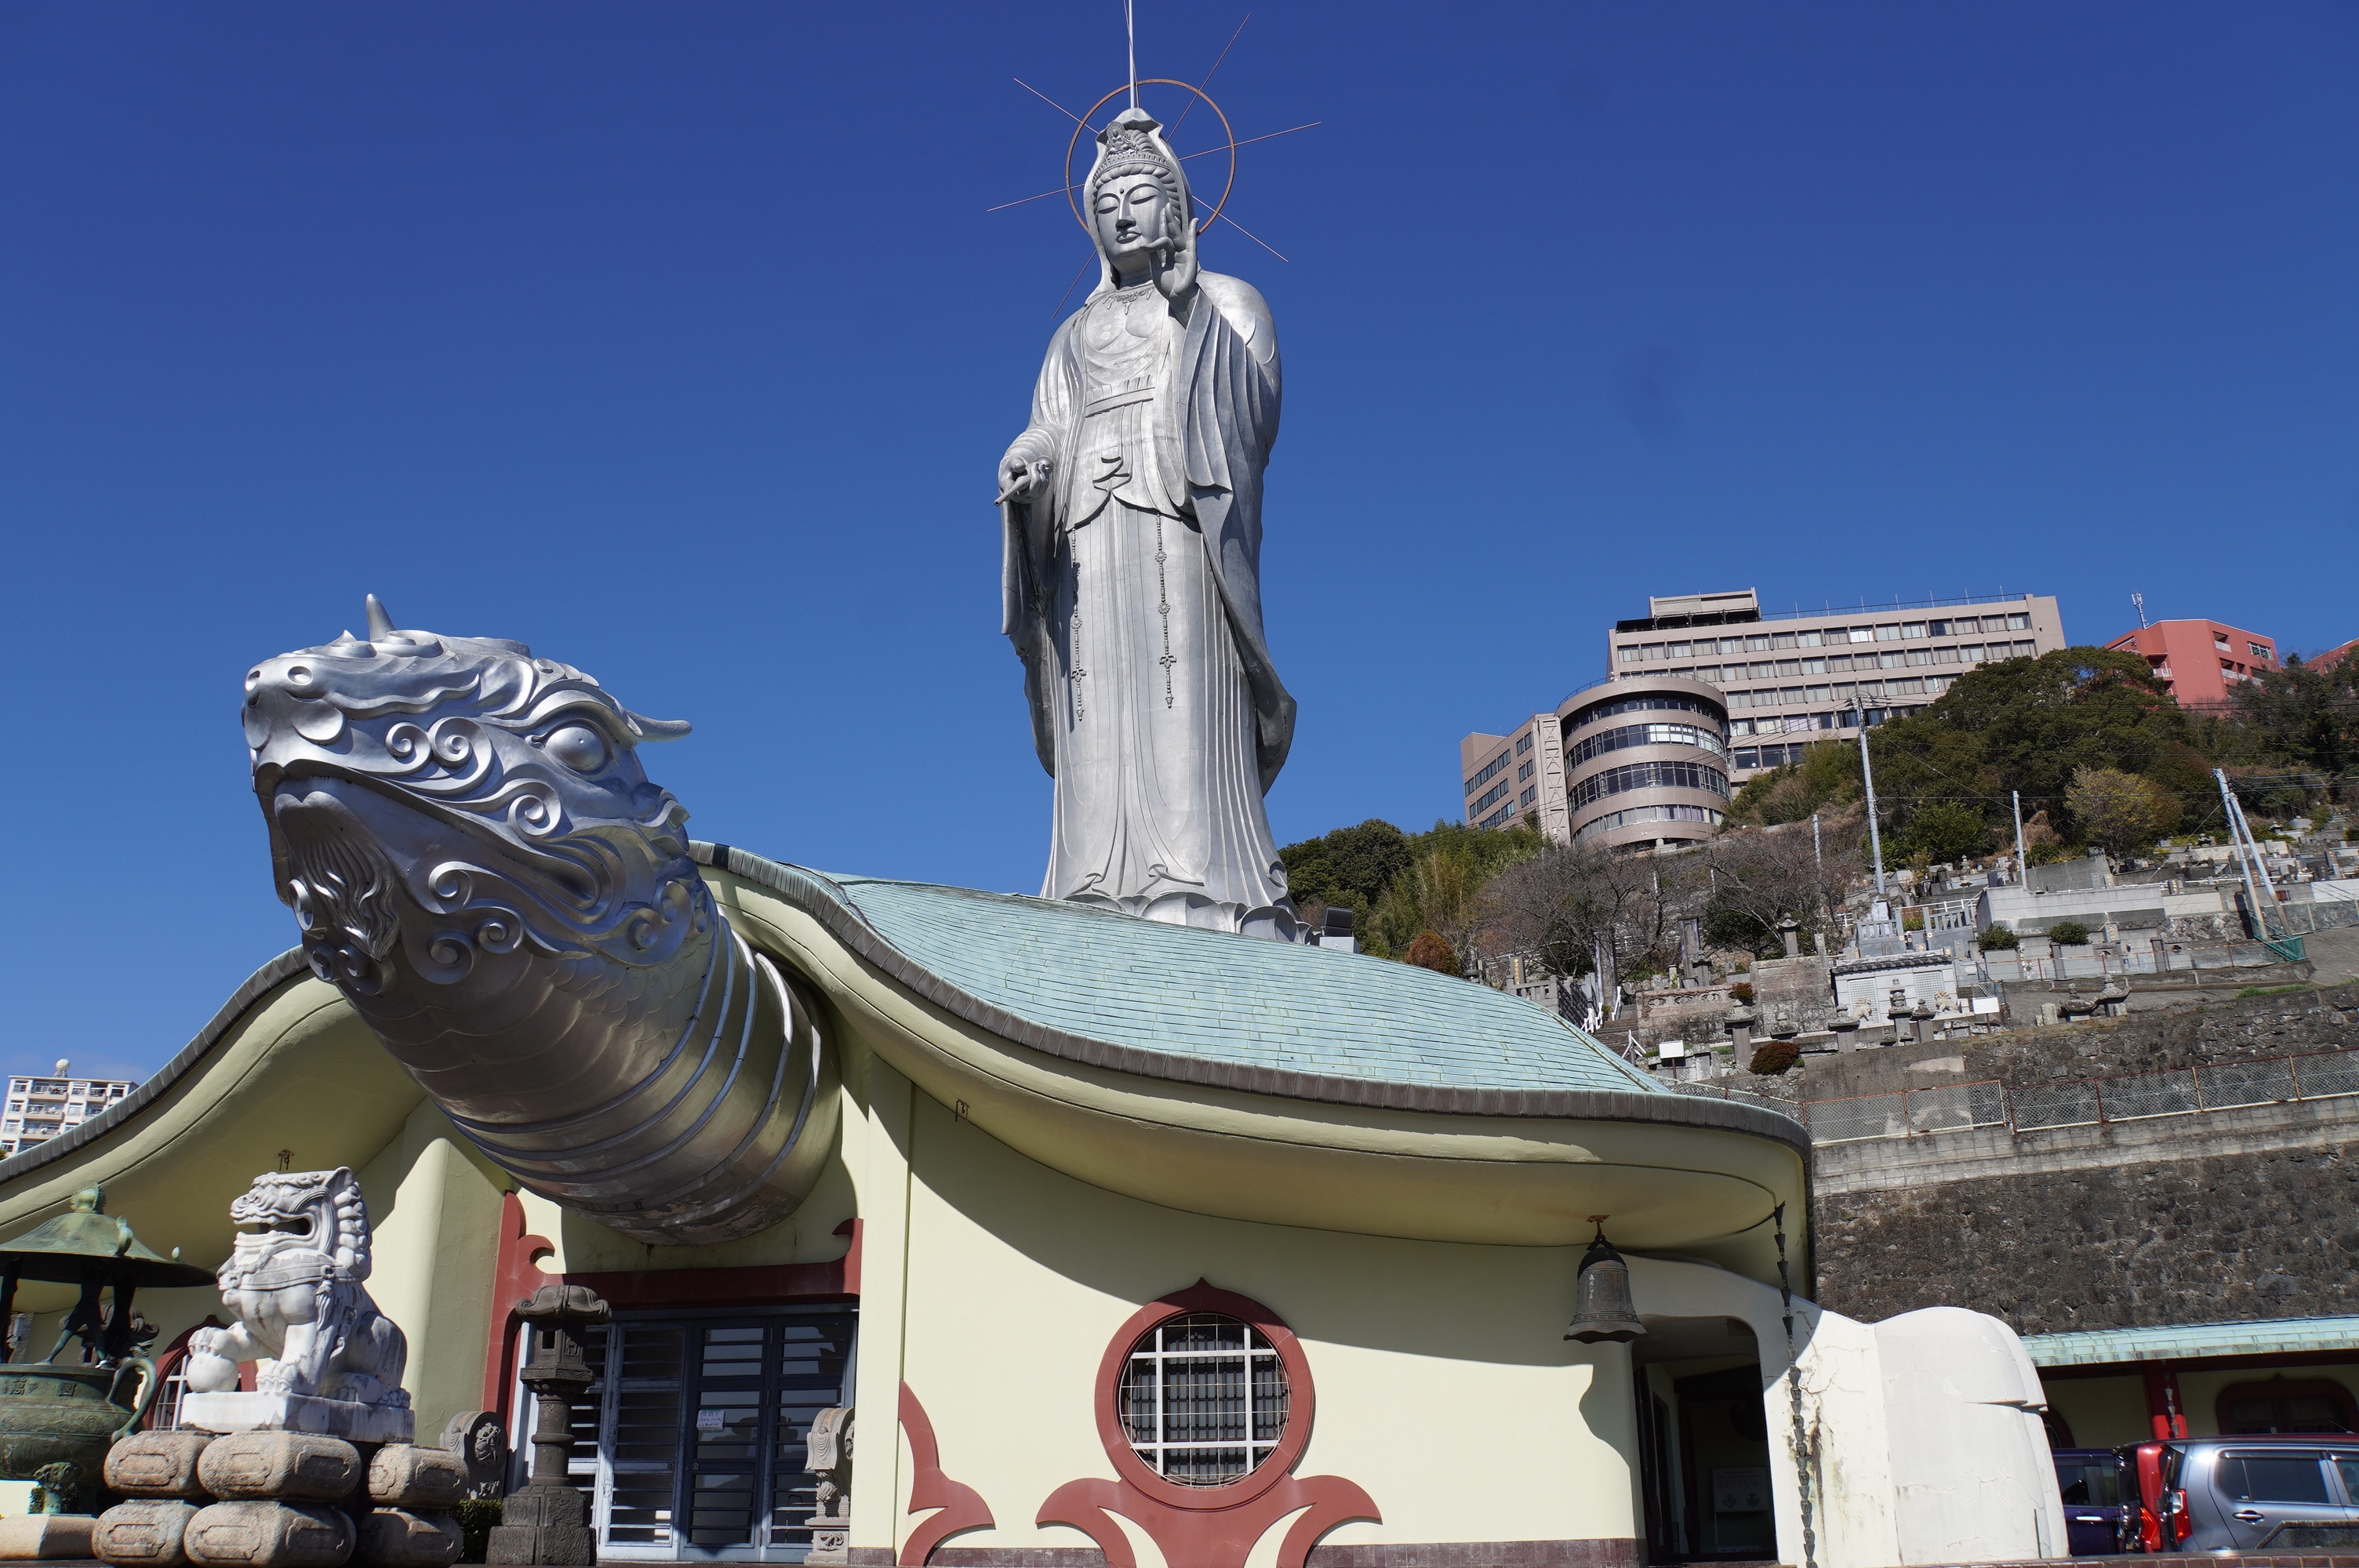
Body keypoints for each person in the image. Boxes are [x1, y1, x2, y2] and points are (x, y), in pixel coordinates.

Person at [998, 103, 1299, 940]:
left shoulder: (1228, 301)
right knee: (1096, 700)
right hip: (1086, 528)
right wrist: (1026, 460)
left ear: (1178, 208)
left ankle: (1200, 876)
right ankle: (1091, 880)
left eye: (1138, 195)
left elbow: (1257, 410)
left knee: (1180, 693)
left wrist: (1190, 310)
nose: (1122, 212)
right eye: (1106, 203)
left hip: (1176, 513)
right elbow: (1051, 421)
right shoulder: (1073, 332)